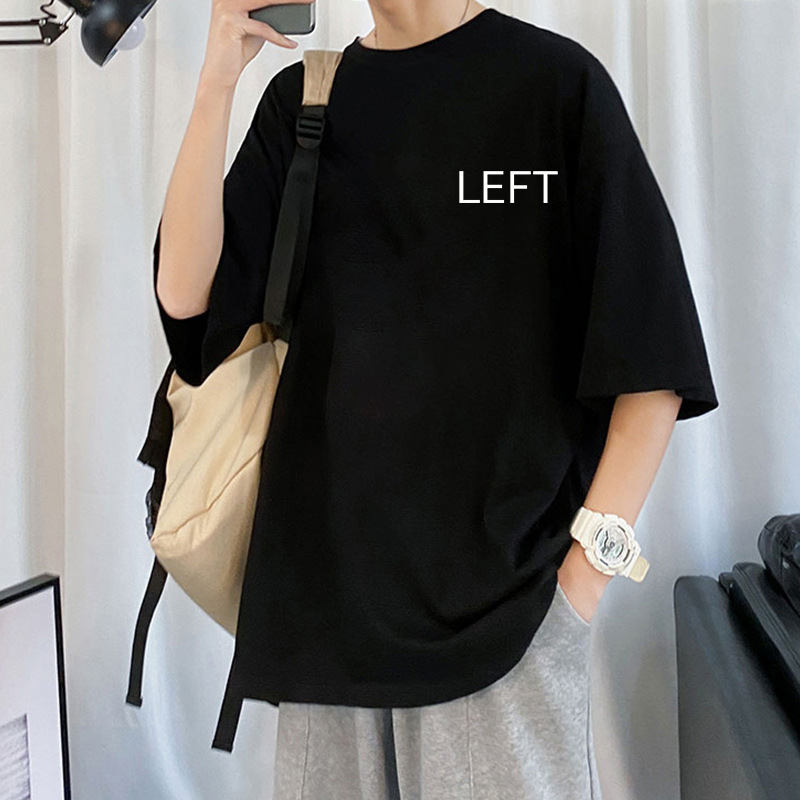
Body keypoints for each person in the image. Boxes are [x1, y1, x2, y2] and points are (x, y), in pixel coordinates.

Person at [152, 0, 719, 797]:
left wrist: (582, 582)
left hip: (506, 632)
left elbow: (651, 362)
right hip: (325, 630)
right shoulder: (306, 101)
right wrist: (217, 80)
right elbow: (190, 307)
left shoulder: (555, 87)